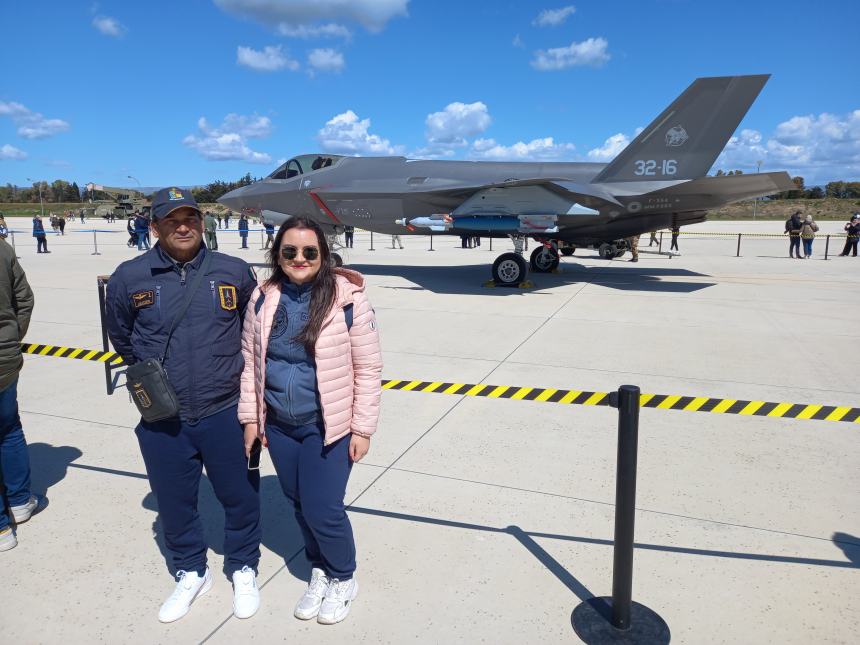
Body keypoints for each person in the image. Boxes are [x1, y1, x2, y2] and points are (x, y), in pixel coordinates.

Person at [106, 187, 261, 623]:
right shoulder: (129, 277)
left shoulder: (233, 270)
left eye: (190, 217)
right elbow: (121, 336)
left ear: (201, 221)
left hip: (224, 411)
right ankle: (191, 571)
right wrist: (155, 382)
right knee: (174, 504)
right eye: (172, 220)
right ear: (154, 226)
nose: (183, 226)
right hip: (163, 418)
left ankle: (243, 566)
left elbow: (254, 330)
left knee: (240, 496)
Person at [238, 217, 382, 626]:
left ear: (323, 254)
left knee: (324, 509)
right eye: (289, 252)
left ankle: (343, 576)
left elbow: (368, 369)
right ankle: (319, 567)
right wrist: (252, 418)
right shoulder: (264, 298)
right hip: (281, 426)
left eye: (308, 252)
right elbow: (251, 362)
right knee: (299, 503)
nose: (299, 259)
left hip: (329, 427)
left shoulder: (347, 299)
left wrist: (362, 428)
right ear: (277, 255)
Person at [0, 234, 37, 552]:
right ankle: (20, 501)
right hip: (4, 361)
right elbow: (24, 299)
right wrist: (10, 337)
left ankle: (1, 528)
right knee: (9, 430)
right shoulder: (2, 249)